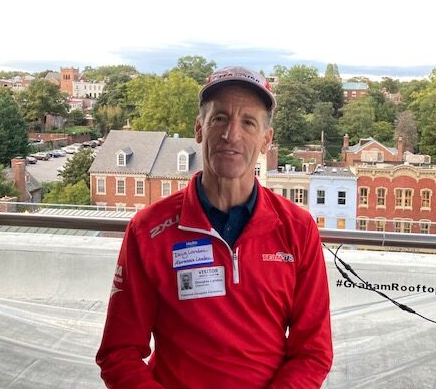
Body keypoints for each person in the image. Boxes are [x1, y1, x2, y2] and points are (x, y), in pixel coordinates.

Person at [96, 66, 333, 388]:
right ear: (199, 130)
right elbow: (119, 352)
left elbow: (313, 352)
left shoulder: (296, 228)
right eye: (219, 118)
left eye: (248, 122)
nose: (231, 134)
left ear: (266, 140)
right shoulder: (149, 229)